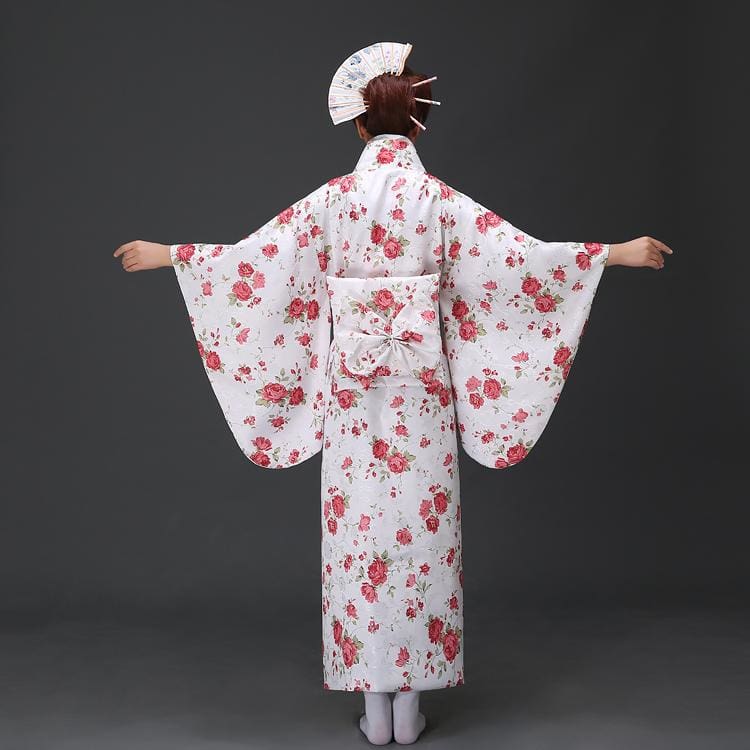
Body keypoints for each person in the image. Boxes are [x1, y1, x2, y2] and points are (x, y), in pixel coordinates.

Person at [113, 42, 672, 746]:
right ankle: (410, 712)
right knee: (421, 533)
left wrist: (171, 255)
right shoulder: (438, 202)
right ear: (418, 121)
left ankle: (374, 713)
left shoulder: (333, 201)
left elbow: (260, 259)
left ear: (356, 124)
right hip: (422, 400)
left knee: (360, 539)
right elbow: (518, 261)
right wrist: (614, 253)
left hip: (353, 400)